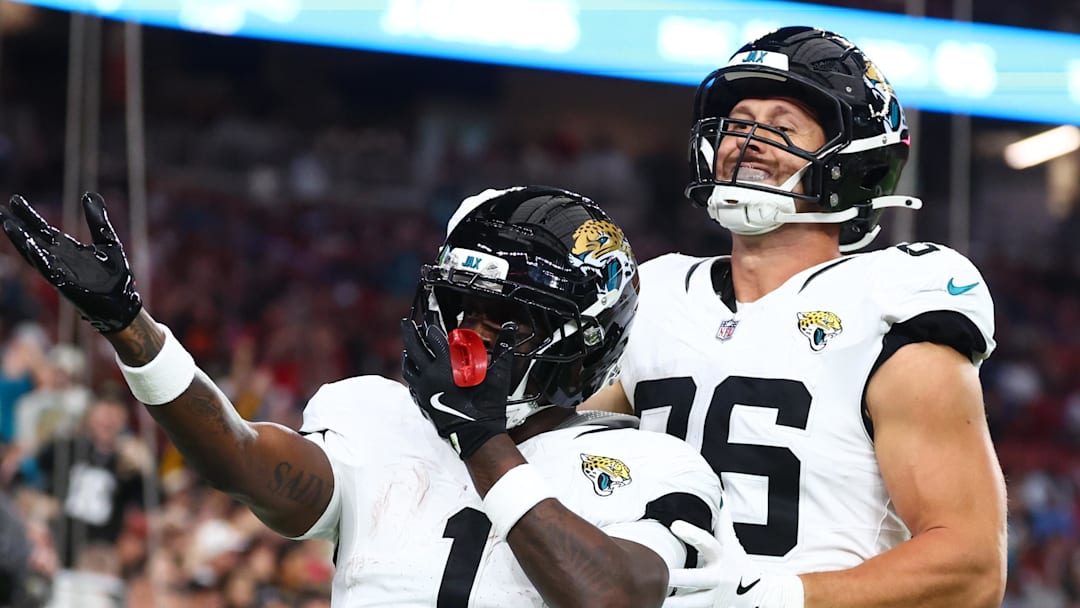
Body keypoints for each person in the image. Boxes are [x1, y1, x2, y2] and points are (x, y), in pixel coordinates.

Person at [0, 186, 731, 606]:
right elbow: (243, 460)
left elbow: (609, 596)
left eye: (507, 319)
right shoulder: (376, 412)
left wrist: (480, 442)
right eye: (461, 307)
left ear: (582, 339)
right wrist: (132, 329)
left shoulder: (657, 465)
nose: (470, 334)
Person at [582, 26, 1007, 607]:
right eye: (737, 122)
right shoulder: (654, 293)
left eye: (781, 127)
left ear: (849, 161)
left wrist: (775, 596)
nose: (747, 140)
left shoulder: (887, 307)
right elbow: (562, 457)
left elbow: (972, 567)